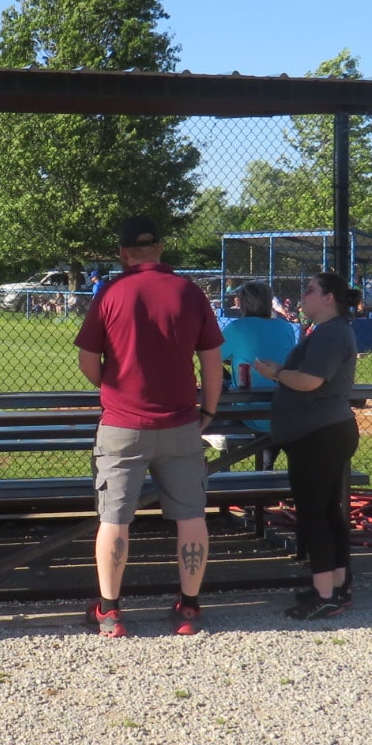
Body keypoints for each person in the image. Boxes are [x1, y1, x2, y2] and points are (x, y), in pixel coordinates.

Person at [73, 215, 224, 638]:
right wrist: (207, 412)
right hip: (180, 424)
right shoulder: (190, 292)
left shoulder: (112, 292)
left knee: (115, 517)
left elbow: (88, 359)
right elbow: (212, 361)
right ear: (160, 248)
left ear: (123, 254)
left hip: (122, 424)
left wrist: (114, 387)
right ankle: (189, 609)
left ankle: (110, 612)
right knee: (191, 515)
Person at [251, 271, 359, 621]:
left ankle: (325, 594)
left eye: (311, 291)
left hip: (320, 434)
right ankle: (337, 586)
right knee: (327, 511)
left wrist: (277, 374)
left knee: (315, 514)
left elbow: (311, 381)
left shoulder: (332, 332)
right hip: (323, 431)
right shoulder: (328, 330)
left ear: (330, 298)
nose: (304, 295)